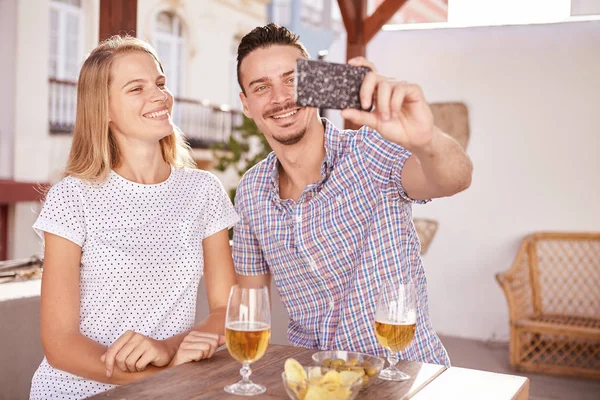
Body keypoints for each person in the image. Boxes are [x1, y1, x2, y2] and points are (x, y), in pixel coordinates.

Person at [232, 24, 473, 366]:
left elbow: (454, 179)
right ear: (246, 104)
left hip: (405, 376)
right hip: (321, 382)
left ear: (316, 85)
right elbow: (250, 308)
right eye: (261, 87)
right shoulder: (251, 192)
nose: (280, 98)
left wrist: (425, 139)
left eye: (291, 79)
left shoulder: (369, 151)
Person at [29, 36, 238, 400]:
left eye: (159, 83)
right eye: (136, 88)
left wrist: (169, 349)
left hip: (170, 388)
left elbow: (227, 308)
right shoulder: (71, 198)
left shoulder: (204, 191)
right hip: (74, 391)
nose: (159, 96)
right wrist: (159, 373)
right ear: (104, 108)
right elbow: (60, 344)